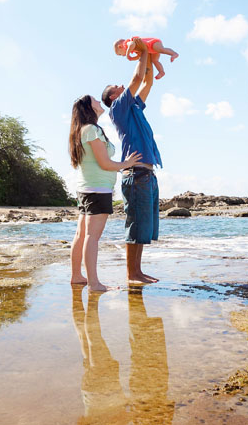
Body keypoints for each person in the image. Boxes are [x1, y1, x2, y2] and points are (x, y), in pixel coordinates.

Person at [102, 37, 162, 285]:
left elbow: (146, 81)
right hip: (135, 174)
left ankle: (137, 271)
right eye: (116, 86)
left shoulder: (134, 107)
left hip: (146, 173)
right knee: (135, 224)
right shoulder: (117, 109)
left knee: (144, 228)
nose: (121, 86)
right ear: (113, 97)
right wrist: (141, 52)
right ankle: (131, 274)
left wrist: (146, 52)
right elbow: (136, 80)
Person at [69, 94, 141, 292]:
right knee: (92, 237)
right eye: (96, 101)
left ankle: (77, 276)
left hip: (86, 188)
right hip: (97, 190)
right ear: (88, 108)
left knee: (81, 234)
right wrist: (126, 165)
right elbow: (105, 163)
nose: (100, 103)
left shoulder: (81, 130)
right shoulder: (92, 130)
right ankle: (94, 283)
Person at [113, 35, 179, 80]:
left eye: (120, 54)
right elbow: (139, 56)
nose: (123, 55)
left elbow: (132, 44)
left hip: (153, 43)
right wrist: (132, 58)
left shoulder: (126, 43)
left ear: (120, 47)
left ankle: (174, 54)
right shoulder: (133, 50)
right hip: (151, 50)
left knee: (161, 50)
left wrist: (127, 54)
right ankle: (161, 72)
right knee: (155, 61)